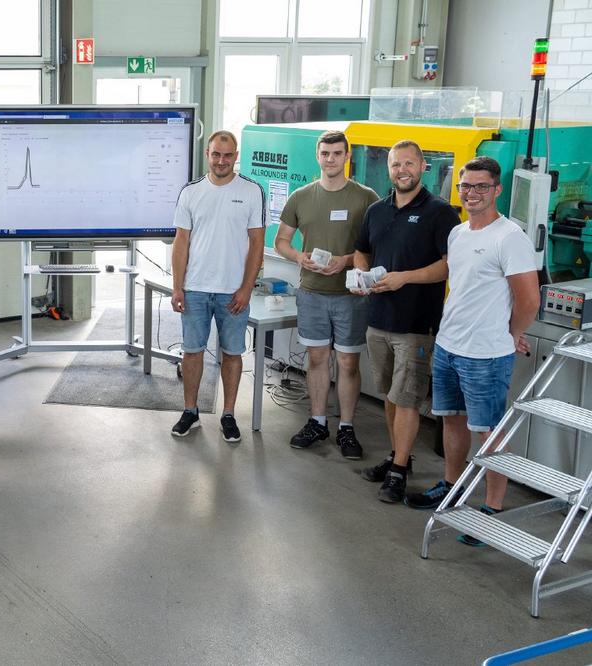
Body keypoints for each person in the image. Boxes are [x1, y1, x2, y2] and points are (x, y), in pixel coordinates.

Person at [405, 156, 539, 545]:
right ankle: (452, 486)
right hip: (449, 345)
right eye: (466, 186)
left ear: (497, 190)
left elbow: (529, 300)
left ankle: (493, 508)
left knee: (489, 430)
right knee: (452, 421)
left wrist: (512, 333)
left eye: (481, 186)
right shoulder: (458, 233)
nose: (472, 193)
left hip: (486, 354)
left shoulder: (509, 237)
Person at [353, 140, 460, 503]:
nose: (402, 170)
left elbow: (449, 265)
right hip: (379, 319)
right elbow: (361, 250)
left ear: (423, 166)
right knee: (390, 394)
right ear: (389, 169)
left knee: (407, 398)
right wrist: (361, 275)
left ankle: (398, 471)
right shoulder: (377, 210)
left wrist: (405, 278)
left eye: (409, 164)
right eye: (396, 164)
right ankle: (398, 456)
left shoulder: (440, 213)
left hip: (416, 323)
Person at [274, 130, 379, 460]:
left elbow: (376, 246)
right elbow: (281, 242)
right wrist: (299, 257)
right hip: (312, 293)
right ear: (317, 156)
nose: (330, 159)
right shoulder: (301, 197)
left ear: (347, 156)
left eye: (337, 153)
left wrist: (344, 261)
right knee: (317, 359)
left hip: (350, 295)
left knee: (348, 362)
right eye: (325, 153)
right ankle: (317, 422)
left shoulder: (366, 197)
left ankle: (346, 427)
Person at [169, 130, 265, 443]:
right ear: (207, 155)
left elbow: (257, 244)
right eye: (216, 154)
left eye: (227, 155)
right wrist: (178, 287)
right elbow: (181, 242)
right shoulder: (190, 192)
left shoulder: (251, 191)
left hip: (233, 291)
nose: (221, 161)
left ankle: (228, 415)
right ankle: (190, 411)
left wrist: (246, 288)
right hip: (195, 288)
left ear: (235, 156)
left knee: (232, 353)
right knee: (192, 351)